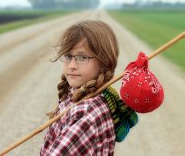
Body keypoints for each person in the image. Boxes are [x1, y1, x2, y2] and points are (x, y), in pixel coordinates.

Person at [40, 20, 138, 156]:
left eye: (82, 57)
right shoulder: (85, 97)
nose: (71, 65)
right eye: (68, 56)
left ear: (104, 60)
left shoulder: (86, 112)